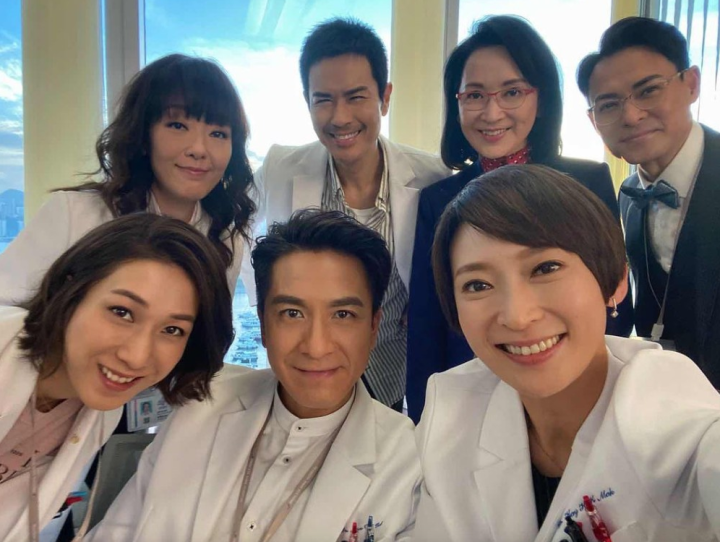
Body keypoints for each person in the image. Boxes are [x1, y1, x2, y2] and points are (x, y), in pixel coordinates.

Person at [413, 165, 720, 541]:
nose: (517, 317)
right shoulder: (451, 409)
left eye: (545, 268)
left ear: (615, 280)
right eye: (477, 285)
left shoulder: (676, 417)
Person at [89, 210, 421, 542]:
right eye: (292, 313)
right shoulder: (201, 403)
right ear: (262, 324)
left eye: (343, 314)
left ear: (373, 327)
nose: (316, 347)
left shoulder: (409, 461)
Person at [405, 15, 632, 423]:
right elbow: (427, 326)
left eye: (511, 92)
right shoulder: (437, 200)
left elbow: (616, 305)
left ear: (540, 97)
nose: (492, 112)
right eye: (475, 95)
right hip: (471, 404)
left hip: (578, 399)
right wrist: (425, 421)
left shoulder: (587, 181)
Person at [246, 18, 450, 411]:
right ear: (307, 101)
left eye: (356, 97)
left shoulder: (432, 178)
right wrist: (269, 307)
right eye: (323, 99)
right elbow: (232, 231)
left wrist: (428, 298)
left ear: (384, 98)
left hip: (391, 376)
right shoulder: (280, 167)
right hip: (309, 370)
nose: (340, 117)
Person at [0, 214, 234, 542]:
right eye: (122, 312)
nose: (136, 356)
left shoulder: (99, 411)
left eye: (172, 330)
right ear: (70, 290)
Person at [0, 53, 255, 305]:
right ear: (143, 135)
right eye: (177, 126)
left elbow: (214, 329)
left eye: (218, 133)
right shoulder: (74, 214)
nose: (199, 149)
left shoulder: (225, 238)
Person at [577, 16, 720, 388]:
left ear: (691, 84)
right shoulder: (627, 196)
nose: (631, 115)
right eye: (608, 105)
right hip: (667, 399)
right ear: (594, 121)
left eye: (649, 90)